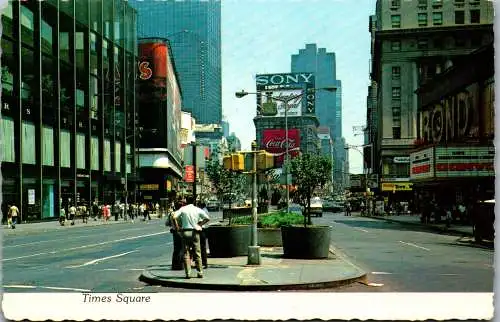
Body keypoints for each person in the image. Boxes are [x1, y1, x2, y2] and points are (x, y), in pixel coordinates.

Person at [172, 196, 210, 279]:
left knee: (186, 253)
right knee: (197, 253)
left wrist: (178, 227)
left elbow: (174, 216)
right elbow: (207, 218)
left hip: (185, 231)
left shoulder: (183, 209)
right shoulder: (197, 209)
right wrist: (199, 224)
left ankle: (188, 273)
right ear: (194, 201)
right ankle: (200, 272)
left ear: (186, 201)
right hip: (195, 232)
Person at [198, 201, 209, 269]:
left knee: (202, 247)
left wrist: (199, 224)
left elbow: (206, 219)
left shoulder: (202, 211)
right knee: (202, 246)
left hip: (202, 229)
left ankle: (204, 263)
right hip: (204, 229)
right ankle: (203, 262)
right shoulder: (205, 210)